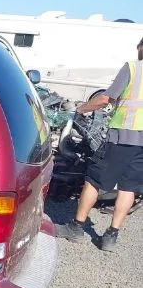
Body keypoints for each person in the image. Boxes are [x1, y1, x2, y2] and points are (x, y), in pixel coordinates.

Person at [56, 37, 143, 251]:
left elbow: (106, 99)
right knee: (129, 187)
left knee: (94, 179)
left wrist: (82, 108)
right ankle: (111, 237)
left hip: (123, 135)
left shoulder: (133, 68)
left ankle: (76, 227)